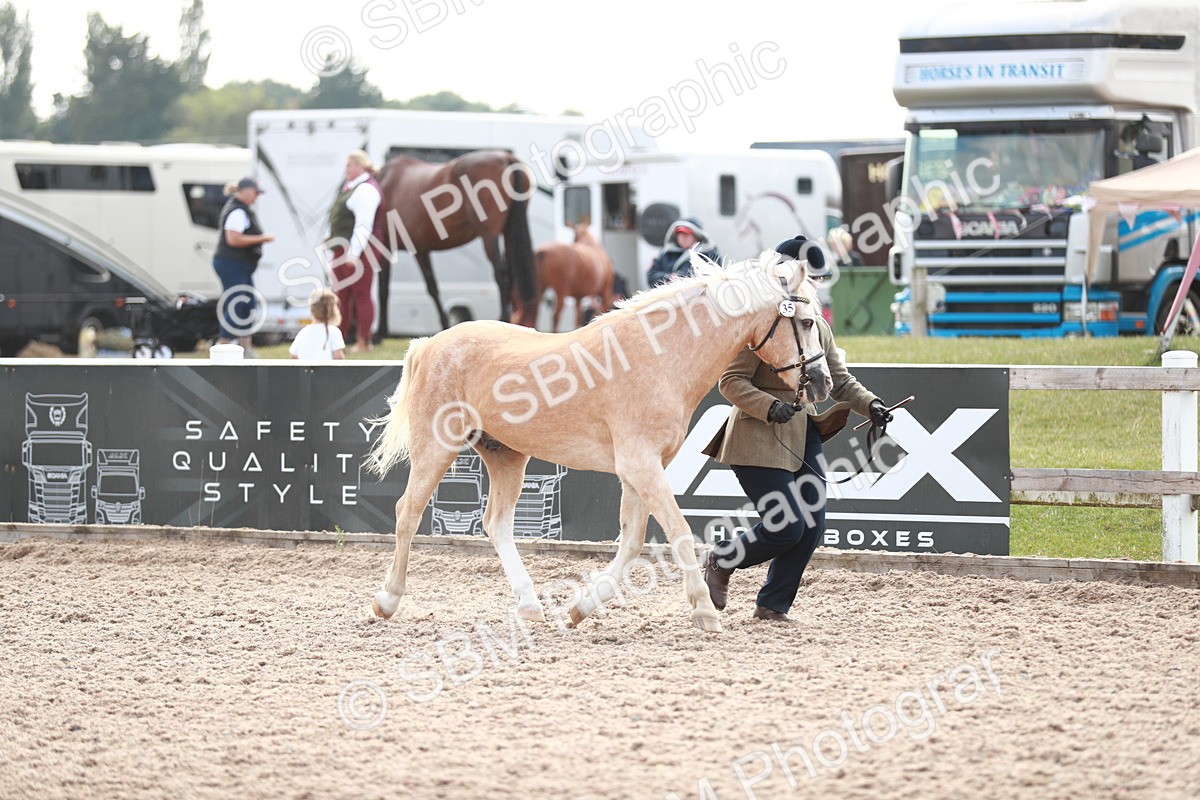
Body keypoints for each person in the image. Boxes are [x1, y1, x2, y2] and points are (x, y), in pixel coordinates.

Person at [701, 235, 894, 623]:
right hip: (756, 434)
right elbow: (731, 382)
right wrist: (769, 407)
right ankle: (722, 559)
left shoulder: (816, 326)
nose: (814, 286)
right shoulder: (758, 322)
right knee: (787, 524)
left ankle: (772, 604)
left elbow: (837, 380)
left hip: (803, 434)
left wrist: (870, 404)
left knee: (811, 526)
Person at [326, 150, 386, 353]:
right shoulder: (352, 187)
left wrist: (354, 253)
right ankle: (338, 340)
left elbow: (363, 224)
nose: (346, 169)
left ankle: (364, 340)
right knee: (341, 294)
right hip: (343, 246)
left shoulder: (366, 189)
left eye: (349, 165)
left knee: (360, 293)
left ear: (360, 166)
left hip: (360, 247)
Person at [212, 177, 273, 354]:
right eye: (255, 193)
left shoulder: (243, 210)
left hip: (240, 264)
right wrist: (262, 238)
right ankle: (222, 345)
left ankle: (245, 347)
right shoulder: (237, 211)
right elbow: (233, 238)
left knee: (247, 304)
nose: (256, 197)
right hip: (232, 263)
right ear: (245, 191)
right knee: (236, 303)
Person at [646, 217, 721, 287]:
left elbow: (712, 278)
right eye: (680, 234)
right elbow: (651, 276)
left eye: (687, 234)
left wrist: (680, 277)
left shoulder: (708, 254)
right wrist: (669, 277)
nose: (683, 237)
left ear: (697, 236)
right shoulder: (665, 254)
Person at [289, 289, 346, 360]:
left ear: (311, 309)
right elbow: (338, 357)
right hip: (327, 371)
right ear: (332, 311)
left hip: (306, 371)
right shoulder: (334, 332)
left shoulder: (302, 333)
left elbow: (294, 356)